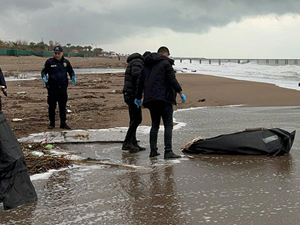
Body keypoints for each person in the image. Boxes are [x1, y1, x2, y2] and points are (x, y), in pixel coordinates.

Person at [135, 46, 186, 159]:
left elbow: (140, 82)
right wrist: (180, 91)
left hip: (150, 99)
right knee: (168, 124)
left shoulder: (146, 65)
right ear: (165, 54)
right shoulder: (165, 63)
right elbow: (172, 79)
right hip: (164, 98)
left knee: (155, 125)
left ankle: (153, 151)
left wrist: (138, 97)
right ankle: (168, 151)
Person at [41, 45, 76, 129]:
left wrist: (73, 77)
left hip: (63, 88)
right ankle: (52, 123)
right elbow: (44, 71)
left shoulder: (66, 62)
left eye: (58, 53)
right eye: (55, 53)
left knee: (62, 106)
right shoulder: (49, 62)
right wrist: (43, 76)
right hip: (52, 88)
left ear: (62, 53)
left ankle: (63, 123)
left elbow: (71, 71)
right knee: (52, 106)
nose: (57, 55)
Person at [122, 51, 150, 152]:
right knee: (137, 119)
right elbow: (137, 75)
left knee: (133, 119)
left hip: (129, 93)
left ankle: (132, 142)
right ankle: (127, 142)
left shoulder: (135, 61)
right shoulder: (138, 62)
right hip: (132, 94)